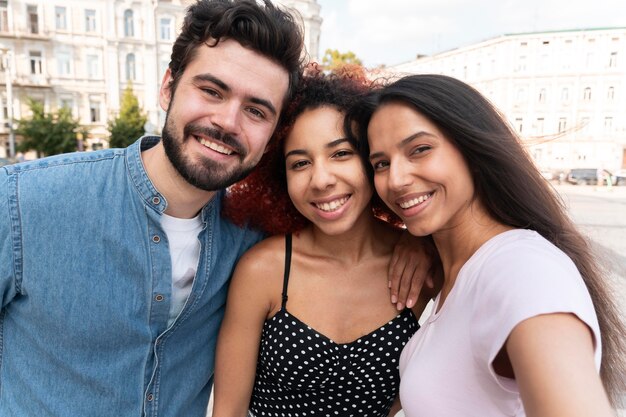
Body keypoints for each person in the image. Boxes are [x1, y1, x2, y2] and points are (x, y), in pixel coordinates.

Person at [0, 1, 303, 415]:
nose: (228, 121)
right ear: (167, 88)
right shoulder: (23, 203)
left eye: (256, 110)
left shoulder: (254, 242)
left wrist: (413, 253)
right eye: (212, 91)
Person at [348, 74, 626, 417]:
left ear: (472, 149)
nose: (396, 179)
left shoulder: (522, 269)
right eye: (381, 163)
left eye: (420, 150)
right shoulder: (455, 272)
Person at [212, 72, 436, 417]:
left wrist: (421, 240)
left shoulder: (422, 266)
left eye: (341, 154)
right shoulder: (264, 271)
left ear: (372, 160)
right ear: (280, 177)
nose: (321, 180)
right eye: (300, 163)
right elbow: (228, 411)